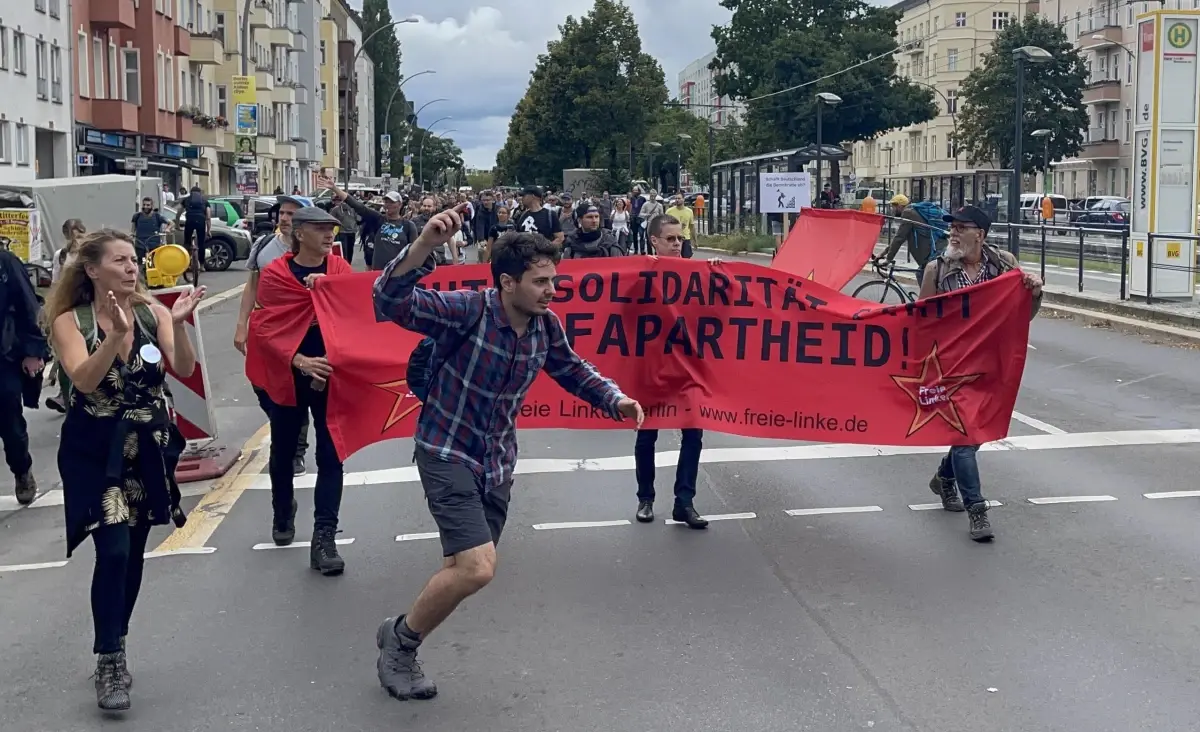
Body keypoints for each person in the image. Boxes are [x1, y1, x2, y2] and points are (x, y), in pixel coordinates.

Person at [371, 213, 644, 701]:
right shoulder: (467, 310)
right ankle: (401, 648)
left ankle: (399, 629)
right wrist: (423, 246)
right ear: (506, 282)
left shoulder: (545, 327)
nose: (550, 291)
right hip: (446, 449)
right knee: (476, 568)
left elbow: (573, 369)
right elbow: (390, 301)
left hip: (497, 461)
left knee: (466, 568)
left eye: (553, 281)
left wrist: (613, 398)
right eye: (540, 282)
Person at [45, 229, 204, 711]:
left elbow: (181, 364)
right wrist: (113, 335)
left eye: (134, 259)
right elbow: (85, 381)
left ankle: (117, 635)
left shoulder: (152, 312)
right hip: (95, 450)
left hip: (147, 449)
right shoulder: (72, 321)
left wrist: (180, 324)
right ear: (92, 270)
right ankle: (109, 658)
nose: (132, 267)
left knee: (133, 552)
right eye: (120, 260)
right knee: (112, 549)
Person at [918, 205, 1043, 541]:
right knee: (965, 436)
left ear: (981, 234)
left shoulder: (1005, 266)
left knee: (974, 435)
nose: (953, 233)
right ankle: (977, 510)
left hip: (991, 364)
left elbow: (1022, 317)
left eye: (961, 227)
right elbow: (921, 320)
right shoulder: (937, 269)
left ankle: (945, 478)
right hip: (953, 367)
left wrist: (1034, 292)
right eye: (952, 227)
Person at [245, 206, 350, 572]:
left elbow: (351, 319)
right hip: (288, 374)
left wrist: (331, 364)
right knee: (284, 450)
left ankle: (325, 539)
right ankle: (282, 509)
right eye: (321, 229)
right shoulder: (275, 274)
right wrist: (302, 362)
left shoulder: (340, 270)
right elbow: (265, 328)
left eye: (332, 229)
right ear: (300, 232)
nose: (329, 235)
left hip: (330, 374)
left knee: (332, 455)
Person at [633, 213, 718, 529]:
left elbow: (715, 313)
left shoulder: (696, 274)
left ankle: (685, 502)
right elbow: (627, 315)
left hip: (687, 367)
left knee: (694, 433)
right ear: (654, 240)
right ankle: (645, 498)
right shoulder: (640, 273)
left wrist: (713, 278)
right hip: (652, 367)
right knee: (647, 434)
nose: (677, 244)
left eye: (680, 239)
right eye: (670, 239)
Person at [234, 194, 312, 476]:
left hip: (298, 331)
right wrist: (242, 323)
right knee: (262, 385)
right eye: (283, 212)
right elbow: (251, 287)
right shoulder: (264, 245)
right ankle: (283, 427)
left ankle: (295, 452)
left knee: (293, 392)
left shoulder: (313, 251)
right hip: (265, 328)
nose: (285, 218)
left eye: (292, 214)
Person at [0, 241, 48, 505]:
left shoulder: (5, 263)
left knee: (9, 420)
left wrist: (33, 351)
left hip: (3, 356)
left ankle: (22, 470)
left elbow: (29, 306)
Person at [877, 194, 935, 286]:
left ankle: (929, 299)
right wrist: (884, 253)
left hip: (932, 252)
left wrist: (888, 259)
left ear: (899, 206)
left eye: (893, 207)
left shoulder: (908, 213)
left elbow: (899, 238)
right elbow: (900, 237)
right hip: (931, 252)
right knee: (921, 274)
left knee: (922, 275)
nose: (892, 209)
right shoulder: (912, 211)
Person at [181, 186, 210, 266]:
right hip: (201, 222)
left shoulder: (186, 200)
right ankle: (202, 265)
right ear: (200, 193)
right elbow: (208, 217)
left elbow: (179, 212)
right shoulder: (205, 201)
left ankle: (185, 264)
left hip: (189, 221)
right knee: (201, 244)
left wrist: (177, 224)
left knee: (187, 243)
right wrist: (208, 231)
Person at [329, 191, 360, 265]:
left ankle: (349, 264)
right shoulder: (335, 209)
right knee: (343, 250)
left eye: (340, 200)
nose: (339, 202)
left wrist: (356, 227)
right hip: (342, 233)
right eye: (337, 201)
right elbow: (330, 220)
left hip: (352, 232)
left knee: (350, 250)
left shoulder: (352, 209)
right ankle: (344, 264)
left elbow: (357, 218)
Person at [664, 194, 696, 258]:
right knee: (674, 258)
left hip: (685, 237)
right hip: (673, 238)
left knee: (686, 258)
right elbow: (665, 225)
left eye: (679, 198)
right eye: (676, 198)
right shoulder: (669, 211)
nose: (677, 200)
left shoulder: (689, 211)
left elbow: (692, 226)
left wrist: (694, 240)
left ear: (683, 199)